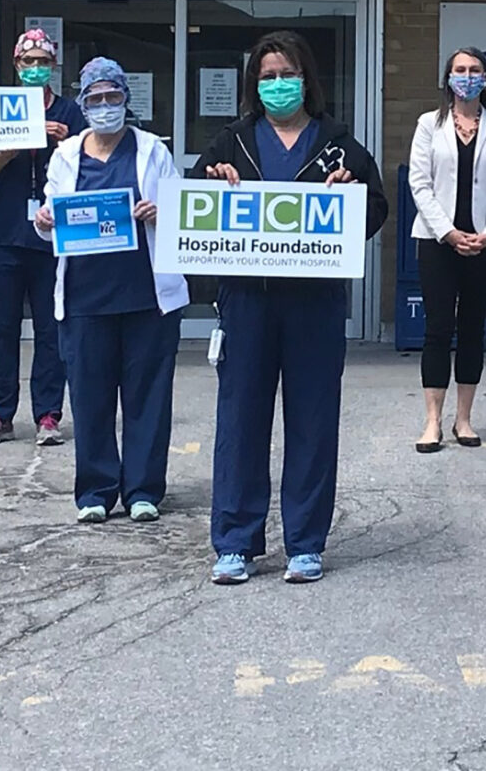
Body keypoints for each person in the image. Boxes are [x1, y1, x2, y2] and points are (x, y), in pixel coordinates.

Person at [196, 31, 390, 585]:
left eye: (288, 74)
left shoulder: (340, 144)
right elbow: (195, 205)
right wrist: (216, 185)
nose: (279, 84)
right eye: (268, 76)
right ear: (254, 85)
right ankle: (235, 542)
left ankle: (305, 542)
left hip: (313, 304)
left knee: (312, 420)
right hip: (247, 303)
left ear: (307, 79)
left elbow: (375, 208)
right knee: (240, 420)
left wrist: (347, 193)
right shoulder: (231, 142)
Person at [34, 59, 187, 524]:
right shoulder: (67, 155)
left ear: (126, 99)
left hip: (146, 297)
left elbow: (180, 209)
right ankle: (96, 492)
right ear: (83, 103)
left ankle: (142, 490)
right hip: (85, 298)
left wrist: (161, 212)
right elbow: (51, 214)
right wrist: (44, 221)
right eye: (95, 99)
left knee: (148, 396)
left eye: (113, 97)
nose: (105, 106)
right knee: (90, 396)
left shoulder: (151, 150)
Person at [0, 28, 86, 448]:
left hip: (52, 233)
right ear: (15, 65)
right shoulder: (0, 110)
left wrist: (63, 143)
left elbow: (88, 165)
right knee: (0, 327)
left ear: (53, 66)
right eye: (28, 61)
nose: (36, 68)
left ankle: (48, 414)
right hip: (5, 232)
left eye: (43, 61)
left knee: (50, 328)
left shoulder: (71, 112)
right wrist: (15, 144)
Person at [407, 46, 486, 453]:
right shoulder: (427, 124)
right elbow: (419, 184)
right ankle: (432, 421)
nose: (467, 76)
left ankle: (464, 419)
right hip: (438, 241)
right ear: (448, 78)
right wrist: (448, 233)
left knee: (472, 327)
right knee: (438, 329)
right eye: (460, 70)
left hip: (485, 244)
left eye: (475, 70)